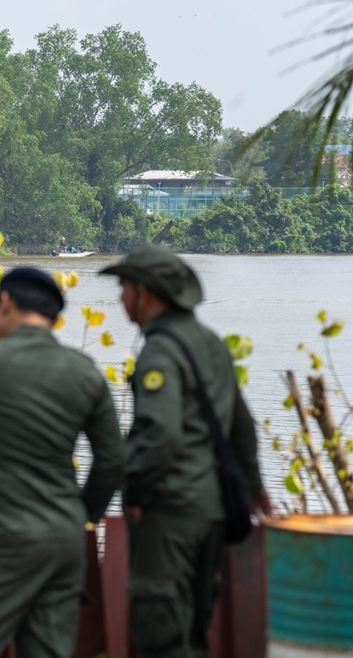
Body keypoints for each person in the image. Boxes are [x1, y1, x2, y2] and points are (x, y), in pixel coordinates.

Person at [0, 267, 124, 658]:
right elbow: (112, 459)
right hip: (62, 540)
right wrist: (81, 515)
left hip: (0, 536)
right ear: (54, 317)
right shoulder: (85, 372)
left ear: (5, 303)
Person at [100, 245, 271, 658]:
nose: (120, 298)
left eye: (124, 288)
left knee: (160, 632)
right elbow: (242, 427)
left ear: (146, 293)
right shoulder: (210, 343)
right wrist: (254, 487)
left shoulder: (159, 352)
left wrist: (136, 493)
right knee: (194, 628)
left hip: (170, 510)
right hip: (211, 512)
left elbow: (159, 433)